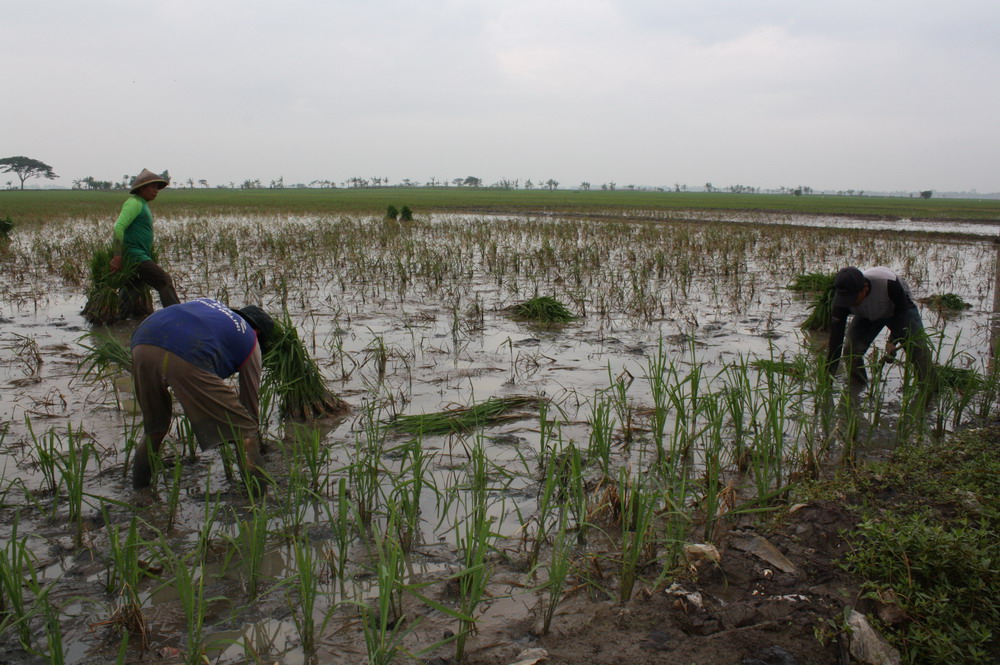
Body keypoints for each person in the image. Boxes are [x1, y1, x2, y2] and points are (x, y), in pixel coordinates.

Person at [130, 297, 275, 494]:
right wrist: (252, 437)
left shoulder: (212, 306)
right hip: (185, 352)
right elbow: (250, 404)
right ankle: (259, 498)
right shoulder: (250, 339)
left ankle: (140, 490)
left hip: (142, 341)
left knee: (154, 427)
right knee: (245, 430)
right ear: (258, 332)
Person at [827, 266, 932, 388]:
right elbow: (835, 342)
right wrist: (827, 378)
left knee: (919, 350)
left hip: (898, 308)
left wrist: (892, 341)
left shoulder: (888, 283)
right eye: (845, 300)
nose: (848, 304)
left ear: (865, 288)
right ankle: (858, 386)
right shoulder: (841, 302)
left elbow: (902, 313)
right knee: (851, 351)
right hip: (867, 314)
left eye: (852, 299)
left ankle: (928, 387)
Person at [110, 168, 180, 309]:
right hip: (136, 255)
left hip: (137, 256)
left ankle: (118, 318)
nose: (156, 190)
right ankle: (177, 315)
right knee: (164, 280)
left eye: (157, 187)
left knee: (133, 288)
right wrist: (117, 256)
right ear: (142, 188)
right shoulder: (134, 203)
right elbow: (118, 228)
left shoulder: (142, 204)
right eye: (153, 187)